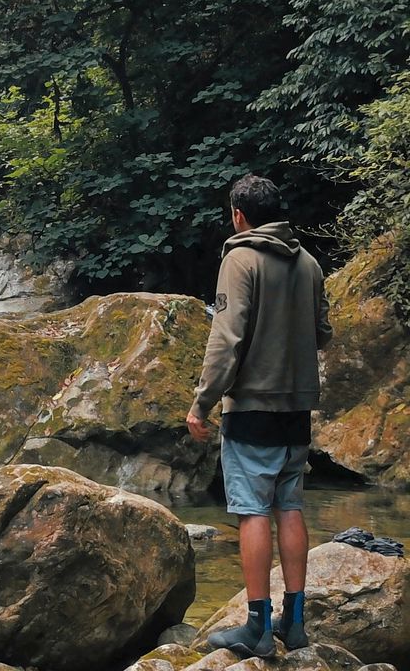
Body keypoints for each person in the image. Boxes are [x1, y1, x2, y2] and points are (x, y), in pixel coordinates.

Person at [187, 174, 333, 658]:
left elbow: (226, 339)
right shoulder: (309, 263)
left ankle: (255, 627)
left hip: (252, 406)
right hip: (298, 408)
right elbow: (322, 332)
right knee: (289, 507)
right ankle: (294, 624)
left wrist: (202, 402)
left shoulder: (240, 258)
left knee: (251, 511)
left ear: (239, 215)